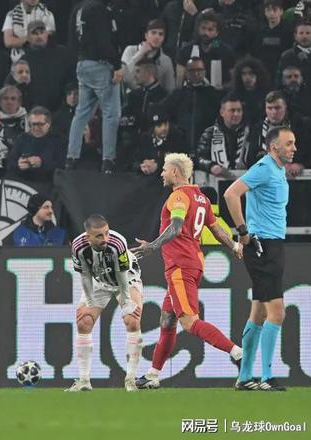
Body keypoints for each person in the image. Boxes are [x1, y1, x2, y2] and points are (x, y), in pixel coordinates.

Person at [132, 153, 244, 389]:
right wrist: (234, 246)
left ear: (175, 171)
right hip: (192, 263)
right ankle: (153, 375)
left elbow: (175, 227)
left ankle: (238, 354)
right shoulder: (201, 198)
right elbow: (217, 230)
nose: (162, 173)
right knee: (167, 319)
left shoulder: (179, 196)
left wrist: (152, 246)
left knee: (190, 322)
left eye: (165, 169)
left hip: (180, 266)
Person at [224, 127, 295, 391]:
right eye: (289, 143)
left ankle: (244, 377)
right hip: (262, 245)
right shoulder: (264, 168)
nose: (294, 148)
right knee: (277, 312)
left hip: (272, 245)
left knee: (259, 312)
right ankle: (266, 377)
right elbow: (231, 193)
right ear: (274, 146)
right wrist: (243, 231)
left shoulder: (276, 169)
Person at [66, 214, 143, 392]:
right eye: (99, 236)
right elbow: (85, 275)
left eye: (107, 233)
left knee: (132, 320)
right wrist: (89, 301)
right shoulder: (78, 247)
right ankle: (84, 381)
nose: (105, 238)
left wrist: (127, 301)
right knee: (83, 321)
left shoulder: (118, 243)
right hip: (99, 280)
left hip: (126, 278)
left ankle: (130, 380)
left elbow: (121, 274)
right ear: (88, 237)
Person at [66, 0, 122, 174]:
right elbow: (104, 41)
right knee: (111, 114)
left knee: (82, 113)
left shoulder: (78, 8)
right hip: (100, 64)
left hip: (82, 63)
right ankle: (108, 160)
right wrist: (117, 65)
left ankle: (71, 157)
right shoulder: (99, 9)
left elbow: (71, 41)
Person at [161, 57, 221, 152]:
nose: (196, 73)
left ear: (204, 72)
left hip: (208, 146)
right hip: (180, 147)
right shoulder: (177, 94)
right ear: (186, 73)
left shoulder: (214, 94)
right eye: (192, 71)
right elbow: (162, 112)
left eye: (199, 70)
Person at [250, 90, 311, 174]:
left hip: (294, 176)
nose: (273, 112)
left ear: (285, 107)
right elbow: (251, 157)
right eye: (269, 108)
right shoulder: (257, 129)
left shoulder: (301, 126)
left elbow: (310, 153)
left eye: (277, 108)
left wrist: (301, 165)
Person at [21, 20, 75, 111]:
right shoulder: (24, 61)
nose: (39, 36)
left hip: (62, 108)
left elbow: (73, 76)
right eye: (35, 33)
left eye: (42, 32)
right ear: (28, 38)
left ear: (47, 34)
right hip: (35, 111)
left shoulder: (62, 53)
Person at [175, 9, 236, 88]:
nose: (206, 33)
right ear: (198, 29)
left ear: (217, 33)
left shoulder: (225, 52)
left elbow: (234, 81)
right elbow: (179, 83)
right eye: (203, 28)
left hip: (218, 93)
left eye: (210, 29)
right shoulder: (186, 51)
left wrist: (220, 88)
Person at [196, 93, 252, 175]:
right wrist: (211, 166)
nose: (236, 114)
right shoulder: (210, 133)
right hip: (218, 179)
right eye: (232, 110)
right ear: (222, 112)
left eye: (239, 110)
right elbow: (198, 159)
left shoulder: (251, 133)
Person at [6, 106, 65, 180]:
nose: (36, 128)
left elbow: (63, 166)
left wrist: (42, 164)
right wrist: (18, 165)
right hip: (23, 182)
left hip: (48, 183)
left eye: (40, 124)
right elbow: (9, 164)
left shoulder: (59, 141)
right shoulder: (21, 139)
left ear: (49, 124)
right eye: (33, 124)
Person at [122, 19, 175, 92]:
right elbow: (124, 77)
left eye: (161, 34)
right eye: (153, 33)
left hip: (154, 97)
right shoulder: (130, 50)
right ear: (146, 35)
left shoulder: (166, 60)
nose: (157, 37)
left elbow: (170, 89)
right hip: (130, 94)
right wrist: (140, 53)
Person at [135, 109, 188, 175]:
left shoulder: (178, 137)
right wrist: (142, 166)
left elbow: (182, 161)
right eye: (159, 125)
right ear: (153, 127)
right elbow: (135, 160)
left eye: (166, 124)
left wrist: (158, 166)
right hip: (145, 178)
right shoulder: (145, 139)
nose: (163, 128)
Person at [251, 0, 292, 80]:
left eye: (275, 10)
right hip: (263, 70)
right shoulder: (259, 30)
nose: (271, 13)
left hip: (282, 69)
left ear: (281, 11)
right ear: (265, 12)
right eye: (268, 10)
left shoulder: (288, 30)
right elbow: (255, 51)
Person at [276, 21, 311, 92]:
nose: (304, 36)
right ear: (295, 36)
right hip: (297, 95)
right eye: (301, 33)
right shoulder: (287, 56)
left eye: (308, 33)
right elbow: (279, 81)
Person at [230, 57, 271, 125]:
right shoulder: (233, 96)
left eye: (251, 73)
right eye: (243, 74)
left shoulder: (267, 96)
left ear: (258, 74)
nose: (247, 77)